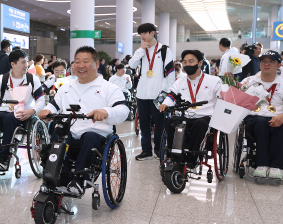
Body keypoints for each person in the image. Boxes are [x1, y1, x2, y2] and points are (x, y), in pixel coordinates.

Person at [38, 46, 129, 192]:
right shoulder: (66, 87)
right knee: (57, 134)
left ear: (97, 64)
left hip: (95, 137)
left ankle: (79, 180)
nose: (81, 66)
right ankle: (61, 176)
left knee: (90, 136)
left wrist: (105, 112)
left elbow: (124, 110)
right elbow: (54, 105)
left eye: (86, 61)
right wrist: (47, 111)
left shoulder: (109, 88)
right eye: (77, 62)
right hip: (70, 135)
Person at [0, 50, 44, 166]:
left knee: (9, 118)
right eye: (23, 62)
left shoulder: (32, 79)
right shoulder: (3, 78)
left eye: (26, 62)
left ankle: (4, 157)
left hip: (25, 114)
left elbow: (41, 99)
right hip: (6, 112)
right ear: (13, 64)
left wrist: (32, 111)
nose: (26, 65)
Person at [159, 50, 222, 167]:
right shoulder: (179, 82)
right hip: (184, 115)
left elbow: (222, 97)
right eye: (185, 62)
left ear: (200, 63)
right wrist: (165, 104)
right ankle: (173, 156)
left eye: (191, 61)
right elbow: (171, 95)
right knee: (170, 123)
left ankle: (193, 157)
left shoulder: (214, 81)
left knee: (200, 124)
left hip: (204, 116)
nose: (187, 64)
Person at [241, 51, 283, 179]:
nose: (266, 64)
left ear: (279, 65)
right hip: (255, 116)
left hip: (279, 115)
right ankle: (261, 165)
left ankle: (276, 166)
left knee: (282, 125)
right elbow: (238, 101)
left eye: (271, 62)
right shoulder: (248, 82)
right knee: (261, 122)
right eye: (263, 61)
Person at [129, 23, 175, 161]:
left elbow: (170, 73)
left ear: (153, 33)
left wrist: (170, 93)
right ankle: (146, 150)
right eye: (140, 34)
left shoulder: (164, 50)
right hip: (142, 93)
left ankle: (159, 149)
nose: (142, 36)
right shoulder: (141, 50)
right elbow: (131, 65)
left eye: (144, 33)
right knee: (143, 123)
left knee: (159, 123)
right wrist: (141, 50)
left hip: (159, 94)